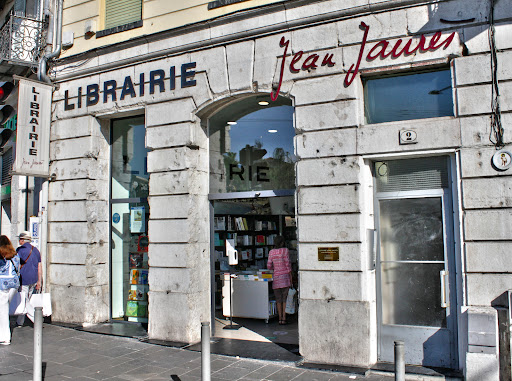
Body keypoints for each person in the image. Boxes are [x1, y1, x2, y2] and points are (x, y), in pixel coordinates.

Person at [16, 231, 41, 327]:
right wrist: (39, 280)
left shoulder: (20, 250)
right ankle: (20, 321)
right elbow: (39, 266)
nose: (19, 241)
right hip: (33, 279)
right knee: (27, 299)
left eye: (20, 239)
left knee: (24, 300)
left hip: (24, 278)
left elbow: (16, 264)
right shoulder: (36, 250)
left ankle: (36, 318)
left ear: (22, 240)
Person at [267, 235, 292, 325]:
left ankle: (279, 319)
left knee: (278, 299)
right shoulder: (285, 251)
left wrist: (275, 268)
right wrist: (291, 277)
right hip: (285, 277)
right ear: (282, 242)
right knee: (285, 299)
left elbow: (269, 265)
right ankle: (284, 318)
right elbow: (288, 264)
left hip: (276, 278)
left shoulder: (271, 252)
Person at [0, 235, 20, 345]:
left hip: (1, 285)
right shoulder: (15, 255)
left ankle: (5, 336)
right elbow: (18, 269)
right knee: (4, 310)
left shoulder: (0, 255)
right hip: (13, 284)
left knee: (2, 311)